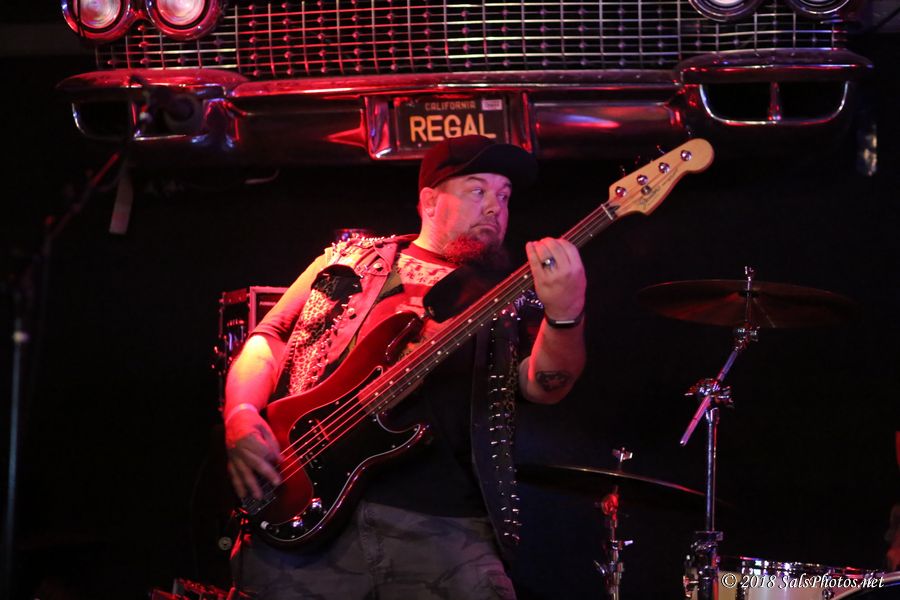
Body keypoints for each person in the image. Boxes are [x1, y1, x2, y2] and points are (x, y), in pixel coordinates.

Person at [223, 135, 587, 599]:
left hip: (446, 528)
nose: (495, 207)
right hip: (302, 506)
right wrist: (240, 414)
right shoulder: (348, 260)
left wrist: (566, 314)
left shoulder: (515, 294)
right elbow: (269, 338)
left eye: (504, 195)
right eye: (478, 190)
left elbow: (545, 385)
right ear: (430, 202)